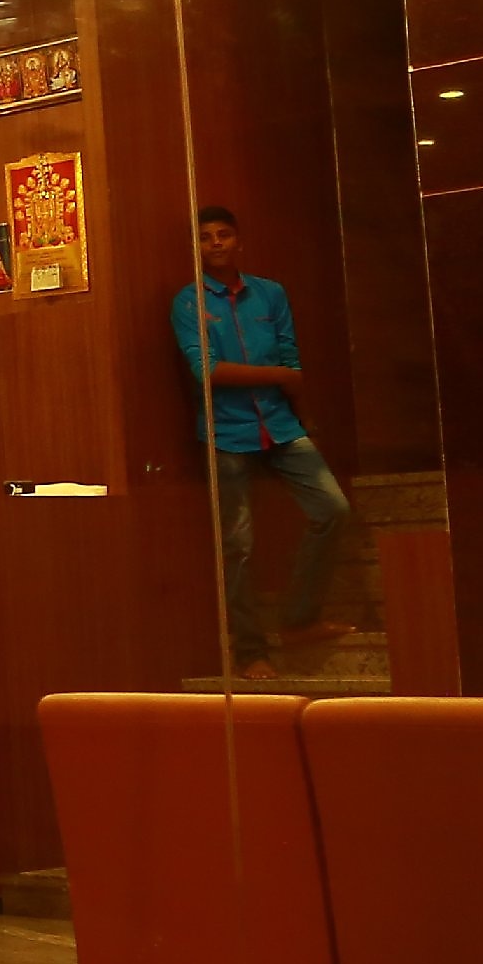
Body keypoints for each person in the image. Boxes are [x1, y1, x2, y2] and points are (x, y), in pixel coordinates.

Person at [171, 203, 350, 671]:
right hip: (225, 432)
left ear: (238, 241)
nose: (215, 243)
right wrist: (279, 376)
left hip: (281, 424)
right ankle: (250, 652)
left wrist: (302, 411)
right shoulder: (189, 302)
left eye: (223, 234)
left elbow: (291, 359)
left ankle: (300, 618)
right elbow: (207, 371)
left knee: (333, 509)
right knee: (238, 545)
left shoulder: (270, 293)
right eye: (205, 237)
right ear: (195, 247)